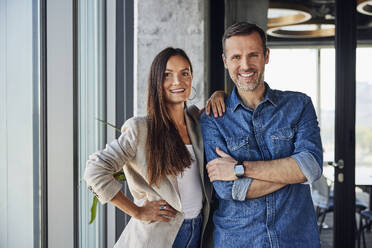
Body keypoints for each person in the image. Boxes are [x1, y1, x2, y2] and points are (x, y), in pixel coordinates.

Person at [84, 47, 224, 248]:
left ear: (191, 78)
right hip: (157, 237)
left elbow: (220, 108)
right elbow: (94, 170)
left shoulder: (195, 120)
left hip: (197, 232)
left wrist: (219, 94)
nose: (178, 81)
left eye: (184, 73)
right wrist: (137, 211)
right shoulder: (141, 128)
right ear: (156, 81)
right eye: (168, 75)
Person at [200, 22, 323, 248]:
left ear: (266, 56)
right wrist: (290, 173)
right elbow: (227, 188)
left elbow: (311, 167)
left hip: (295, 239)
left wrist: (240, 169)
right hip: (238, 241)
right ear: (225, 61)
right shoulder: (213, 118)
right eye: (236, 57)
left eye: (253, 54)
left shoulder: (299, 105)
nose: (245, 65)